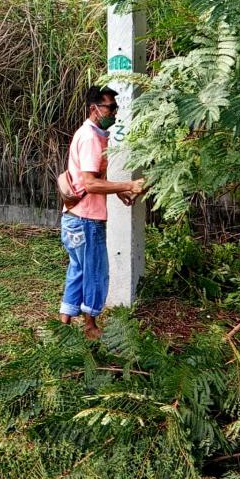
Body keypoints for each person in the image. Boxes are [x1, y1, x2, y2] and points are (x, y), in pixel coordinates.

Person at [59, 85, 144, 339]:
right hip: (86, 220)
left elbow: (94, 178)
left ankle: (62, 325)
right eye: (110, 108)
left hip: (74, 218)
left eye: (115, 108)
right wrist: (128, 185)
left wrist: (118, 192)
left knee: (78, 271)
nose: (114, 113)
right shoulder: (91, 138)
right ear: (94, 109)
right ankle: (90, 327)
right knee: (95, 273)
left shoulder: (90, 133)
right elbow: (90, 184)